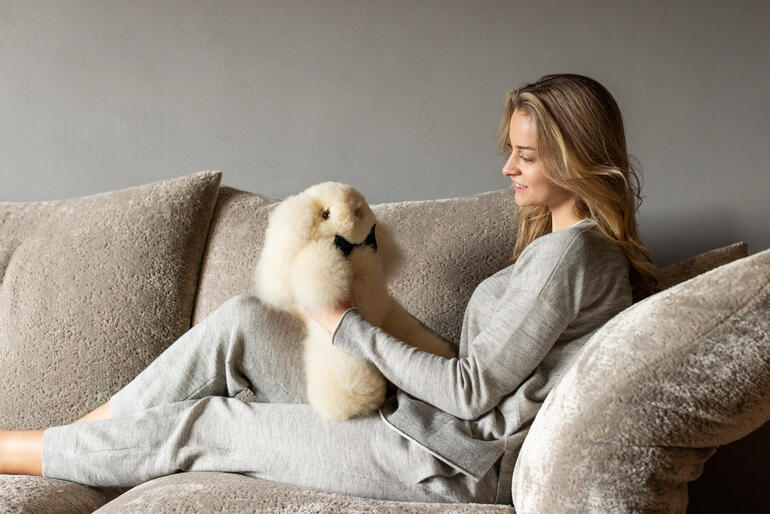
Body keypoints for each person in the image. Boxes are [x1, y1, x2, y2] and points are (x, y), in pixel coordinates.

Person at [0, 73, 658, 506]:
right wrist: (375, 321)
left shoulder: (576, 254)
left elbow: (471, 392)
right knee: (247, 320)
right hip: (429, 425)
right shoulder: (559, 249)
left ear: (576, 156)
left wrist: (345, 324)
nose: (508, 166)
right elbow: (481, 371)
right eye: (512, 148)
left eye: (529, 155)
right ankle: (71, 443)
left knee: (208, 423)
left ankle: (18, 450)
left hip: (446, 461)